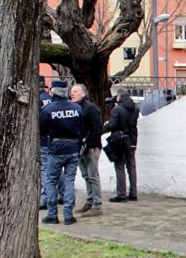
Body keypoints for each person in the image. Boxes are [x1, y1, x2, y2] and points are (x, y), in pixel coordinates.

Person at [40, 80, 85, 225]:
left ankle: (52, 214)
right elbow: (83, 129)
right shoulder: (77, 108)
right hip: (73, 148)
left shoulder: (48, 109)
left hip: (55, 148)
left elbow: (42, 130)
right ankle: (68, 214)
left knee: (51, 180)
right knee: (69, 181)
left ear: (53, 91)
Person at [69, 83, 103, 216]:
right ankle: (90, 201)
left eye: (75, 91)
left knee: (93, 176)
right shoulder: (75, 107)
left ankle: (97, 204)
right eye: (71, 91)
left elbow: (97, 127)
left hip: (90, 147)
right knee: (86, 176)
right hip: (80, 147)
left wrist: (92, 145)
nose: (72, 94)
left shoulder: (90, 108)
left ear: (83, 93)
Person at [104, 87, 139, 202]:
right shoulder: (135, 108)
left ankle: (122, 194)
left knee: (119, 166)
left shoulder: (117, 109)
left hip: (120, 140)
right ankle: (133, 194)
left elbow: (112, 125)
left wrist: (106, 124)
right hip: (132, 140)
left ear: (119, 96)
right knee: (131, 166)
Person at [38, 76, 63, 210]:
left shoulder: (37, 100)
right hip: (55, 138)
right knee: (57, 168)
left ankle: (45, 199)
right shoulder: (50, 99)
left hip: (44, 140)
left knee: (46, 170)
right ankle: (63, 195)